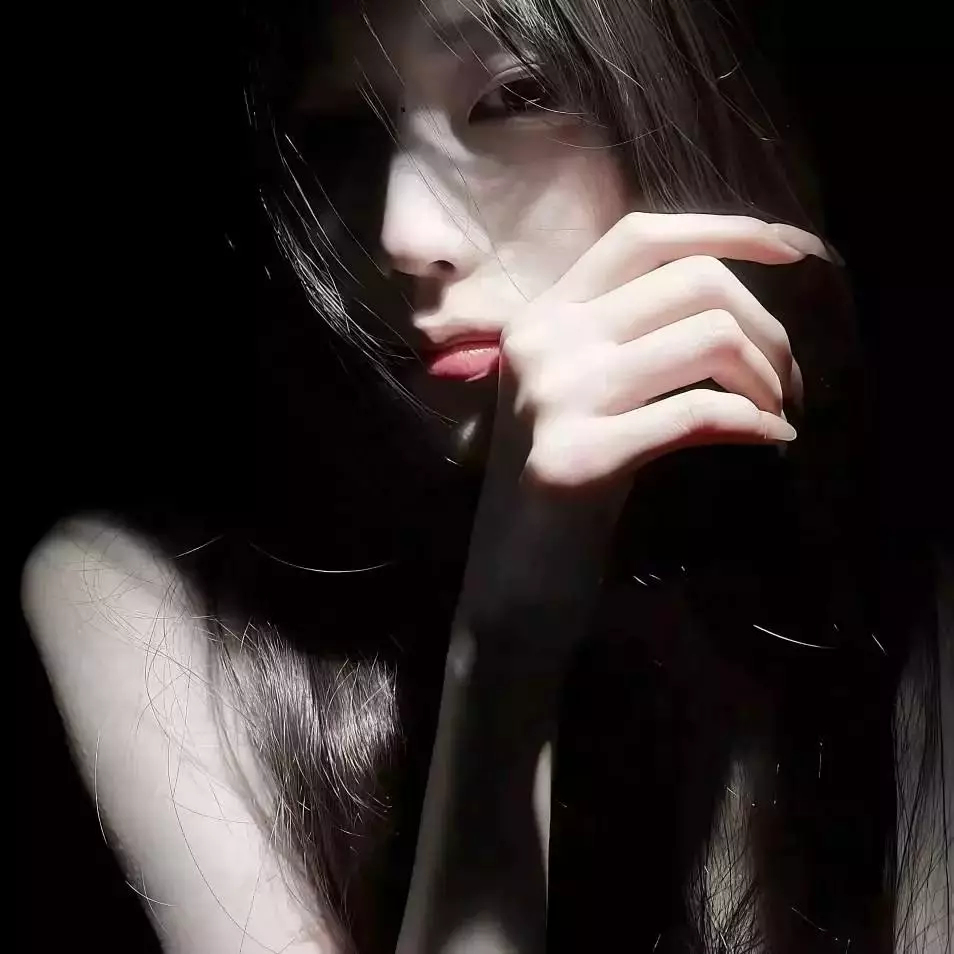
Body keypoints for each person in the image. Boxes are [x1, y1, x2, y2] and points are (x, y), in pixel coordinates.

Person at [21, 1, 951, 952]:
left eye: (516, 95)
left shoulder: (898, 570)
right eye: (342, 132)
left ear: (683, 99)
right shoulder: (144, 597)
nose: (403, 232)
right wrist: (507, 642)